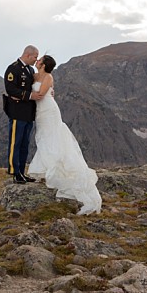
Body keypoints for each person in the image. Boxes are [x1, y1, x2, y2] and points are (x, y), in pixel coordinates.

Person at [27, 55, 102, 215]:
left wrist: (26, 96)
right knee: (43, 138)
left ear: (44, 64)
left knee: (52, 137)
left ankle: (55, 169)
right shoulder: (35, 75)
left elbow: (40, 93)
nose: (37, 60)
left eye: (39, 59)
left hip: (48, 110)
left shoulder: (48, 76)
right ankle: (46, 168)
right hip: (39, 112)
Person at [2, 45, 44, 184]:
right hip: (17, 111)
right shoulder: (13, 69)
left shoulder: (30, 70)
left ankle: (22, 171)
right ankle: (15, 172)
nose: (35, 60)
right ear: (27, 55)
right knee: (16, 142)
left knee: (25, 144)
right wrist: (29, 95)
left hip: (28, 113)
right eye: (35, 57)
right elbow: (11, 89)